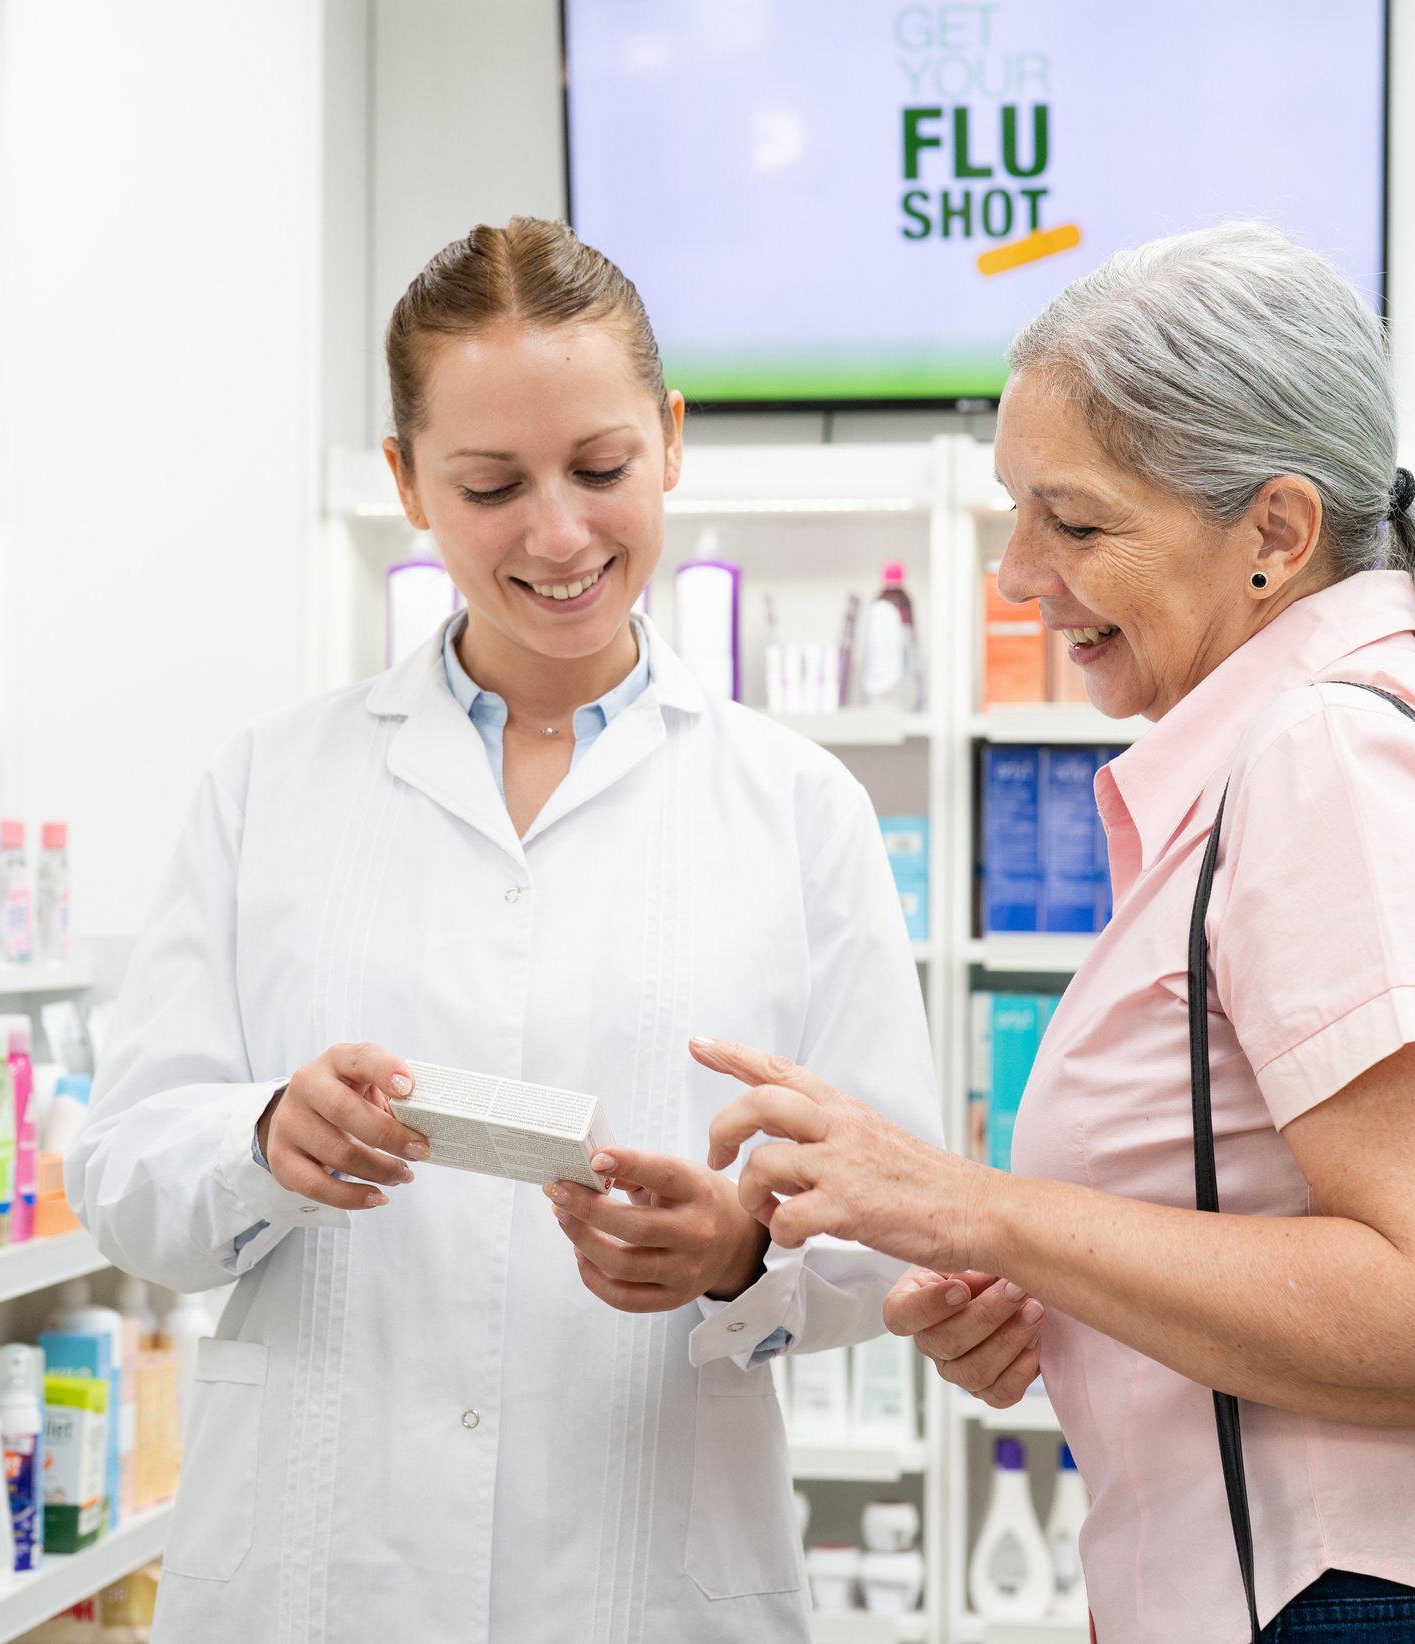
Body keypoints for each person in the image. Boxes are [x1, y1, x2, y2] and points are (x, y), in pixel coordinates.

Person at [690, 224, 1415, 1644]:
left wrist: (967, 1206)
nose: (1015, 574)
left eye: (1079, 522)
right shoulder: (1280, 753)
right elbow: (1282, 1225)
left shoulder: (1334, 765)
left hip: (1387, 1600)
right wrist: (1057, 1289)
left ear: (1277, 537)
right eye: (1014, 513)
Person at [68, 216, 939, 1643]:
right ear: (409, 482)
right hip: (321, 1572)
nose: (557, 533)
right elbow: (122, 1174)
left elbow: (895, 1231)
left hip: (647, 1577)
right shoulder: (271, 784)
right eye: (490, 484)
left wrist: (737, 1255)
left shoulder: (799, 810)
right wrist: (264, 1141)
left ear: (670, 441)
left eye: (601, 468)